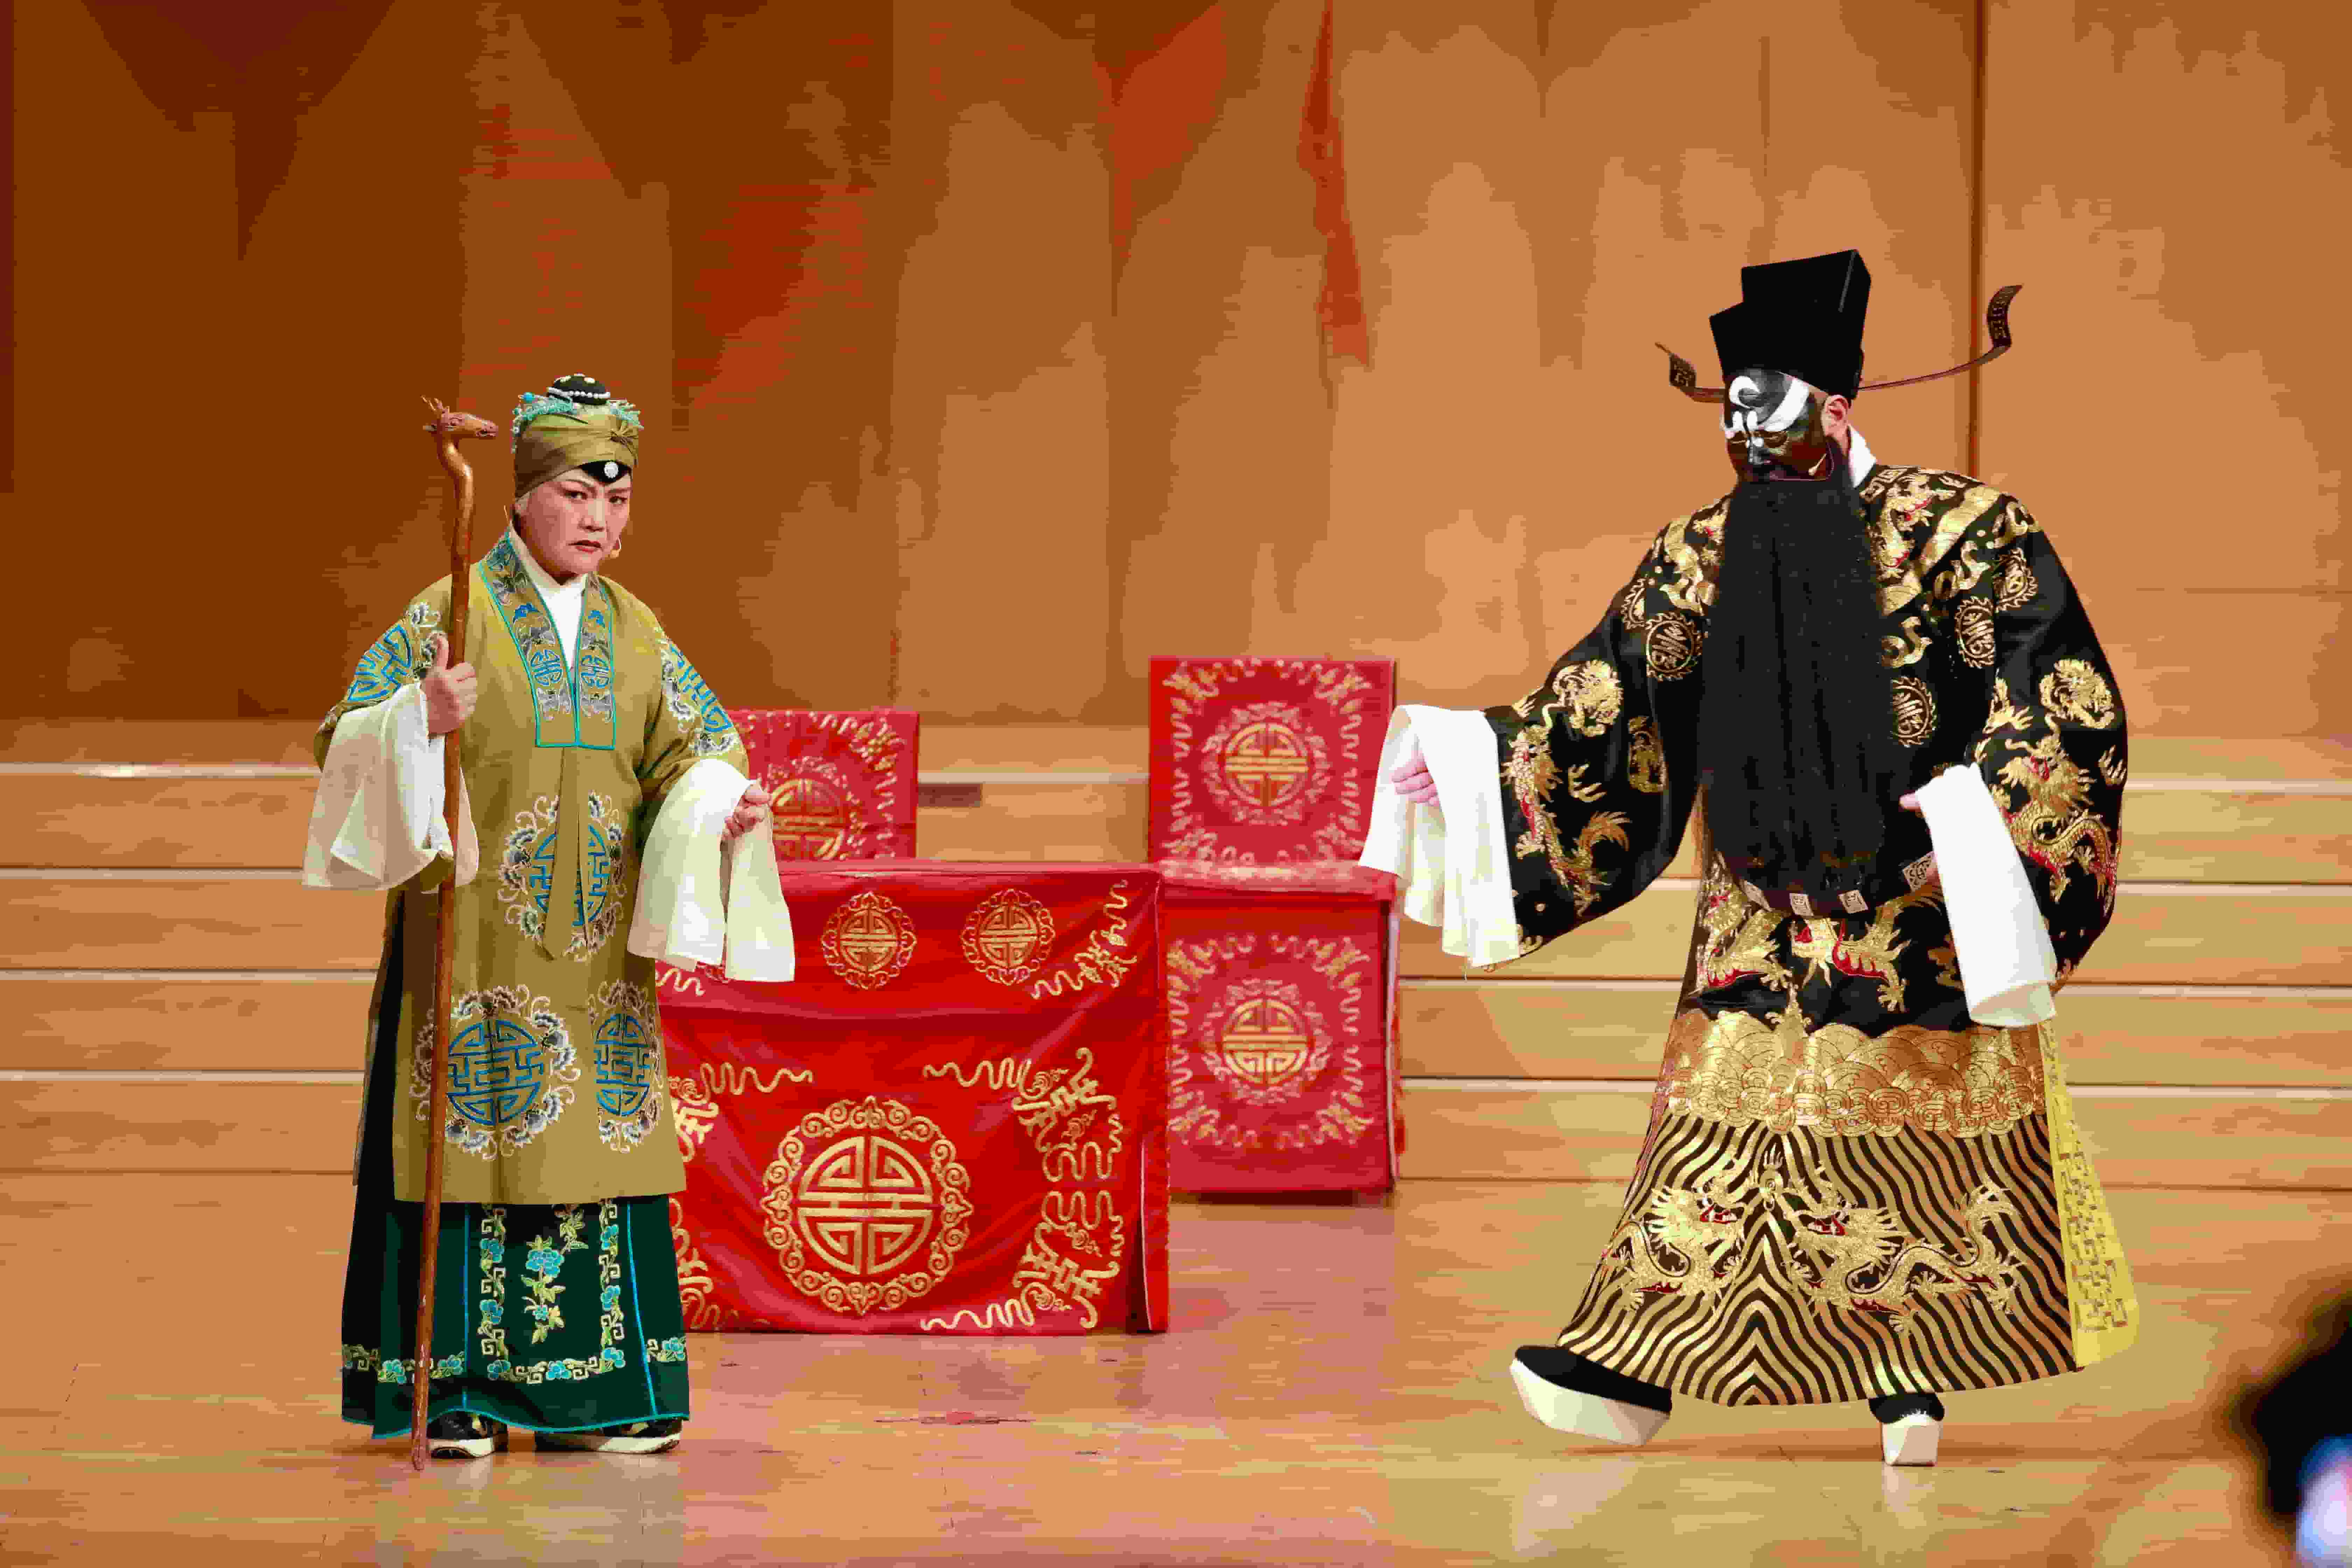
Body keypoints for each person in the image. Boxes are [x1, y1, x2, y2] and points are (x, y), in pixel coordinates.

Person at [1365, 253, 2137, 1466]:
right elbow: (1614, 695)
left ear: (1839, 410)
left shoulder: (1966, 531)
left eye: (1774, 419)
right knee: (1723, 1123)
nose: (1754, 447)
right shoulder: (1706, 547)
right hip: (1760, 902)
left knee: (1893, 1123)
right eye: (1736, 426)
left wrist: (1981, 812)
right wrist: (1479, 762)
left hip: (1923, 890)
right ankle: (1640, 1370)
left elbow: (2057, 695)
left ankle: (1903, 1379)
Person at [304, 373, 792, 1459]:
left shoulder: (637, 630)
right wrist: (415, 717)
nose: (598, 519)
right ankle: (459, 1393)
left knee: (598, 1152)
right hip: (474, 940)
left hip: (597, 958)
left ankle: (600, 1393)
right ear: (523, 498)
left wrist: (719, 802)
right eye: (576, 494)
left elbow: (696, 748)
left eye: (617, 500)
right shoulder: (451, 609)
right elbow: (340, 732)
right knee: (469, 1141)